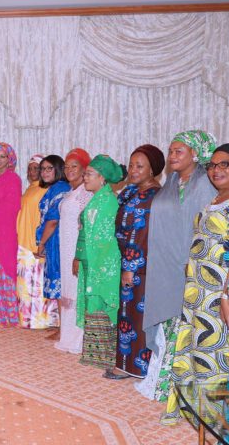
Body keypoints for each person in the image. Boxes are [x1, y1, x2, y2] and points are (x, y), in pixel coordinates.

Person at [162, 143, 229, 424]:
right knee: (192, 348)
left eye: (225, 164)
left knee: (214, 352)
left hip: (220, 295)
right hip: (195, 291)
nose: (216, 170)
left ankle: (212, 420)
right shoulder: (213, 201)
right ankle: (192, 409)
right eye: (212, 165)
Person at [136, 130, 216, 402]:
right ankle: (158, 381)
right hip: (162, 265)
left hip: (187, 267)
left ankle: (176, 388)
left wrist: (189, 262)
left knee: (181, 324)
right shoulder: (171, 181)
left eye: (178, 151)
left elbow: (201, 227)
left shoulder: (205, 184)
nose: (172, 156)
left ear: (195, 154)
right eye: (170, 151)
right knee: (164, 322)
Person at [106, 144, 164, 380]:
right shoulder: (131, 191)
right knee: (125, 314)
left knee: (136, 316)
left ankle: (137, 367)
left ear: (153, 170)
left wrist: (130, 268)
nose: (133, 170)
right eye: (131, 165)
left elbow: (142, 234)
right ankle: (124, 362)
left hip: (139, 266)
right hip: (124, 260)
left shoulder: (153, 196)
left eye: (140, 166)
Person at [76, 154, 124, 370]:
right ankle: (95, 354)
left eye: (89, 174)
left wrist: (93, 264)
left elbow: (104, 239)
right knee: (93, 303)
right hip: (92, 261)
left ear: (102, 178)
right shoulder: (98, 198)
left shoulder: (108, 201)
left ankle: (104, 356)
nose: (85, 177)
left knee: (101, 303)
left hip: (102, 264)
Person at [55, 148, 93, 352]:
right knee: (68, 291)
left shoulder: (86, 193)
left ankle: (79, 340)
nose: (69, 170)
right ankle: (68, 337)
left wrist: (80, 255)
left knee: (78, 292)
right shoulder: (71, 192)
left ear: (85, 169)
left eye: (74, 166)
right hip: (66, 247)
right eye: (67, 166)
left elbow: (86, 227)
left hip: (77, 249)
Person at [0, 142, 21, 327]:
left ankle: (10, 315)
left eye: (3, 156)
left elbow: (13, 208)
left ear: (10, 160)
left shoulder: (13, 178)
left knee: (7, 270)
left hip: (7, 232)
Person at [35, 155, 71, 327]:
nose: (45, 172)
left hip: (58, 240)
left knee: (61, 282)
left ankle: (65, 328)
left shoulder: (61, 188)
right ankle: (62, 327)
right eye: (42, 169)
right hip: (53, 240)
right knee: (58, 283)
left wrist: (41, 243)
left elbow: (53, 220)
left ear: (58, 170)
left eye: (49, 168)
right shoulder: (53, 188)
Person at [16, 154, 49, 329]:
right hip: (23, 243)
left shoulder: (46, 190)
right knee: (24, 287)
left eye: (37, 168)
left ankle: (39, 321)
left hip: (35, 245)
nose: (33, 171)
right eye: (30, 168)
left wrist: (41, 243)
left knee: (36, 285)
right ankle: (27, 319)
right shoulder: (29, 188)